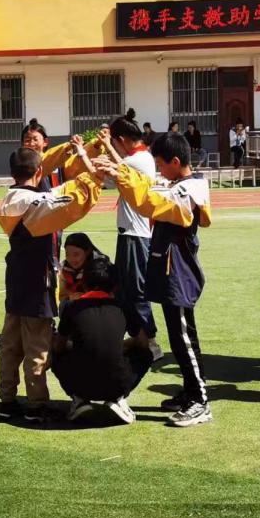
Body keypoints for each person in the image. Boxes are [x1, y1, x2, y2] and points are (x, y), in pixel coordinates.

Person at [0, 145, 110, 423]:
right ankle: (36, 405)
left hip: (17, 277)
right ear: (39, 172)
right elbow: (69, 202)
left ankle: (6, 398)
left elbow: (55, 194)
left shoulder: (11, 197)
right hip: (37, 280)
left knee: (10, 343)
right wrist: (93, 176)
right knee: (37, 346)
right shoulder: (36, 203)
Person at [111, 131, 214, 428]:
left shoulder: (189, 190)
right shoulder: (179, 186)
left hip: (179, 274)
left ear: (175, 162)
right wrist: (120, 172)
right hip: (171, 272)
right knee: (179, 338)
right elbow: (150, 190)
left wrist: (120, 175)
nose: (158, 170)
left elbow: (148, 201)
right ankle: (191, 392)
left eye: (160, 164)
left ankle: (200, 400)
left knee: (184, 339)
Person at [52, 256, 153, 425]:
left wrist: (73, 346)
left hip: (80, 383)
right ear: (115, 285)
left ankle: (79, 399)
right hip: (118, 383)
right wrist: (123, 345)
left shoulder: (72, 307)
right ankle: (118, 399)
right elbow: (143, 342)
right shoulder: (123, 306)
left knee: (54, 353)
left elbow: (58, 346)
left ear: (84, 283)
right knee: (146, 353)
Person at [98, 109, 164, 362]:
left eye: (115, 143)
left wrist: (103, 148)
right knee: (124, 289)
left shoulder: (141, 159)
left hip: (137, 234)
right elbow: (118, 169)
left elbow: (118, 167)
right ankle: (138, 336)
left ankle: (150, 339)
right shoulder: (136, 158)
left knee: (136, 289)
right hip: (130, 233)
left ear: (122, 140)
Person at [58, 232, 107, 308]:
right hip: (74, 307)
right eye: (67, 254)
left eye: (76, 254)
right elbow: (62, 296)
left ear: (87, 251)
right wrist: (70, 296)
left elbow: (107, 295)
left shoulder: (101, 268)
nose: (71, 259)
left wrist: (84, 296)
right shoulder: (64, 269)